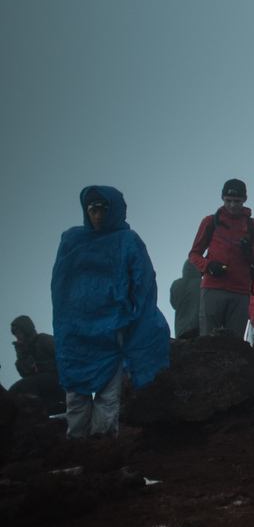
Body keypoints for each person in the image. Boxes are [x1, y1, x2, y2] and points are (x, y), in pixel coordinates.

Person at [51, 186, 171, 438]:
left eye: (104, 209)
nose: (98, 215)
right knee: (75, 391)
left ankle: (102, 447)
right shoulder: (72, 241)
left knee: (108, 393)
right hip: (76, 330)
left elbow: (143, 281)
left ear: (115, 210)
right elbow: (60, 285)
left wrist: (130, 314)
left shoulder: (127, 241)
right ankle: (77, 445)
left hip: (112, 326)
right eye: (93, 209)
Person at [187, 178, 254, 339]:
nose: (232, 205)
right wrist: (208, 266)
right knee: (208, 341)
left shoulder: (253, 225)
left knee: (234, 344)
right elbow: (193, 254)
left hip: (240, 291)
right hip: (213, 288)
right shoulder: (210, 222)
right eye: (228, 200)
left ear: (244, 200)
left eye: (237, 201)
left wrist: (249, 250)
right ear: (222, 198)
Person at [9, 314, 65, 412]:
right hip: (44, 384)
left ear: (26, 329)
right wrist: (21, 354)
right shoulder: (25, 351)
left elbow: (63, 355)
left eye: (19, 332)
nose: (17, 336)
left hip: (59, 378)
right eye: (15, 334)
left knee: (24, 386)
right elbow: (25, 373)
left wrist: (45, 366)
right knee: (16, 390)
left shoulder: (43, 339)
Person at [169, 259, 202, 339]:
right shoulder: (202, 283)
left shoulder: (176, 284)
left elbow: (173, 304)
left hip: (181, 330)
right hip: (199, 328)